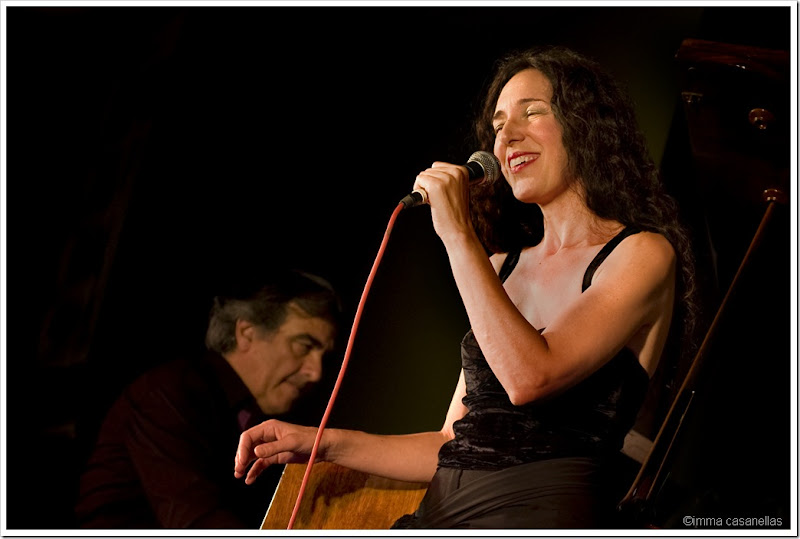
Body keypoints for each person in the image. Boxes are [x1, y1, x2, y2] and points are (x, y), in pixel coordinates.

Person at [233, 46, 698, 529]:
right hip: (439, 516)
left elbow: (531, 378)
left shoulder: (642, 254)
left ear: (586, 125)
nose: (507, 136)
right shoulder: (498, 267)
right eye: (498, 125)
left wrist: (458, 234)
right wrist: (324, 442)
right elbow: (452, 443)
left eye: (532, 112)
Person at [75, 270, 340, 528]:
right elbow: (195, 520)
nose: (316, 372)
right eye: (304, 346)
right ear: (246, 333)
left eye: (323, 356)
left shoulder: (260, 416)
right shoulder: (170, 393)